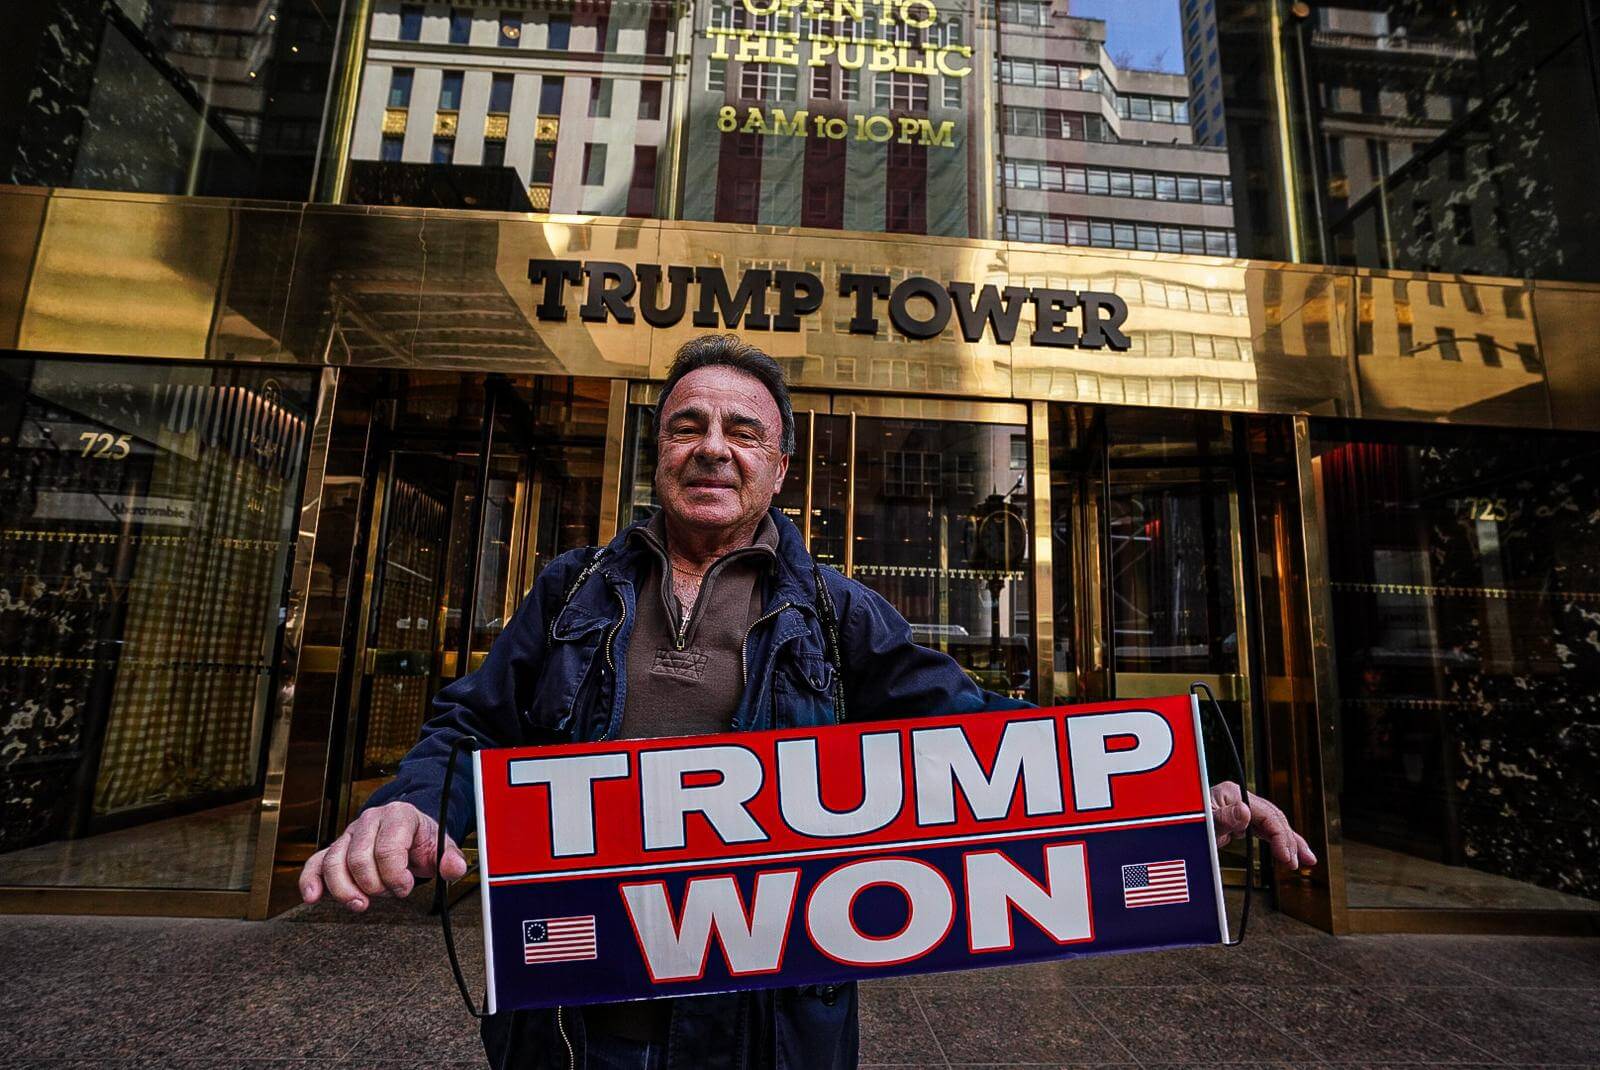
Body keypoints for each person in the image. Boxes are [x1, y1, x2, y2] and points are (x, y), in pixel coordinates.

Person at [299, 334, 1317, 1069]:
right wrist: (413, 800)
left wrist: (1181, 788)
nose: (714, 447)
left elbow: (980, 729)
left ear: (778, 467)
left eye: (743, 431)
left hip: (767, 1012)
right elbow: (472, 722)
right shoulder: (573, 588)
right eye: (688, 425)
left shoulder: (836, 611)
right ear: (657, 452)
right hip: (585, 999)